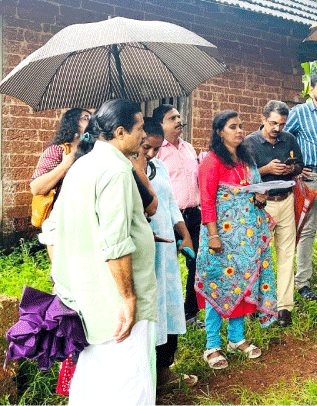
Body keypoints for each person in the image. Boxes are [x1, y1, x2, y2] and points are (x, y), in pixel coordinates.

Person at [45, 99, 157, 405]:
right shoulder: (116, 172)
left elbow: (52, 229)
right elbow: (115, 242)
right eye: (139, 128)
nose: (144, 135)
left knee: (94, 377)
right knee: (129, 379)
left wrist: (62, 277)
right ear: (120, 132)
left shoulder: (82, 165)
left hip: (86, 297)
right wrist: (128, 298)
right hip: (115, 301)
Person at [197, 110, 278, 370]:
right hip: (220, 237)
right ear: (219, 132)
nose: (240, 131)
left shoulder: (246, 159)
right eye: (233, 127)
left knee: (242, 285)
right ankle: (212, 345)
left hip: (246, 239)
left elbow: (253, 192)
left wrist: (260, 198)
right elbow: (207, 201)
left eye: (241, 126)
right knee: (218, 287)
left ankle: (236, 338)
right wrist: (213, 235)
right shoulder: (211, 161)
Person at [135, 119, 198, 389]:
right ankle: (142, 376)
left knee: (168, 306)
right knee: (146, 310)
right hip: (140, 251)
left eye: (156, 149)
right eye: (146, 147)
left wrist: (183, 234)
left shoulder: (158, 166)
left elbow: (171, 204)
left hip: (165, 250)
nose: (151, 154)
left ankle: (164, 371)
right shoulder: (124, 170)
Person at [243, 100, 304, 328]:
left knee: (286, 254)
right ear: (263, 119)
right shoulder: (249, 143)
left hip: (285, 200)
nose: (277, 128)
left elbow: (300, 165)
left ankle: (284, 308)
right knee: (258, 255)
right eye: (273, 123)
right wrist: (266, 170)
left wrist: (291, 168)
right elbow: (244, 177)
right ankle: (254, 305)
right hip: (262, 204)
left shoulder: (289, 139)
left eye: (281, 124)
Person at [285, 72, 317, 302]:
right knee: (308, 230)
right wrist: (297, 166)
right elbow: (284, 138)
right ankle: (303, 282)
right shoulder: (300, 112)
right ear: (312, 90)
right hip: (312, 178)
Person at [153, 104, 202, 325]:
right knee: (166, 268)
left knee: (196, 264)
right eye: (172, 118)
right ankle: (165, 316)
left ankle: (190, 312)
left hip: (193, 216)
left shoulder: (188, 148)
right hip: (169, 219)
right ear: (161, 124)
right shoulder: (156, 152)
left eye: (179, 116)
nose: (178, 120)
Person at [30, 108, 90, 259]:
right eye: (85, 117)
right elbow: (36, 188)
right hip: (62, 222)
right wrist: (65, 165)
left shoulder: (92, 150)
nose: (91, 120)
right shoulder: (57, 150)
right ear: (73, 123)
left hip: (87, 220)